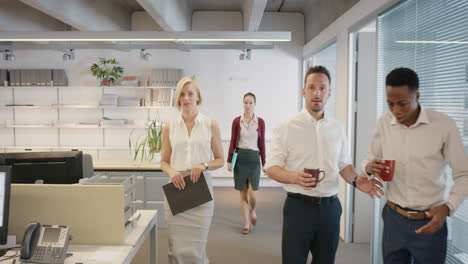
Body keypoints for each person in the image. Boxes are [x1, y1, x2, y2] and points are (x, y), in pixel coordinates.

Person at [265, 65, 383, 264]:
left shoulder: (337, 128)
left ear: (329, 93)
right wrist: (294, 177)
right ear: (304, 92)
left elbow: (344, 165)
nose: (317, 93)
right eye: (311, 87)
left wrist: (356, 181)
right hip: (298, 207)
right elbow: (271, 167)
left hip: (330, 208)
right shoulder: (286, 126)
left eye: (322, 88)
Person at [362, 67, 468, 264]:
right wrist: (369, 167)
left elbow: (464, 174)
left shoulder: (444, 125)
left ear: (417, 96)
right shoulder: (384, 123)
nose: (395, 111)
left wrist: (448, 207)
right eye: (390, 104)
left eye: (402, 103)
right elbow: (369, 158)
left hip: (430, 221)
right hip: (394, 218)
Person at [160, 76, 224, 264]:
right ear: (178, 98)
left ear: (198, 97)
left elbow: (220, 159)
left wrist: (203, 165)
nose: (186, 98)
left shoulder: (210, 124)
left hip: (200, 189)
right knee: (176, 248)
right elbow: (163, 161)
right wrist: (171, 171)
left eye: (190, 94)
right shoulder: (169, 127)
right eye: (182, 94)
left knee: (197, 249)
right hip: (177, 188)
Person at [227, 92, 266, 234]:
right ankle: (246, 223)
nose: (247, 105)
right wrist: (229, 160)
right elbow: (232, 141)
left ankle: (253, 210)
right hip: (240, 158)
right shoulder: (237, 121)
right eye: (245, 102)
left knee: (252, 194)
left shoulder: (260, 122)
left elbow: (262, 144)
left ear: (255, 104)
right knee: (242, 193)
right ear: (242, 104)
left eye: (250, 102)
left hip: (254, 159)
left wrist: (264, 161)